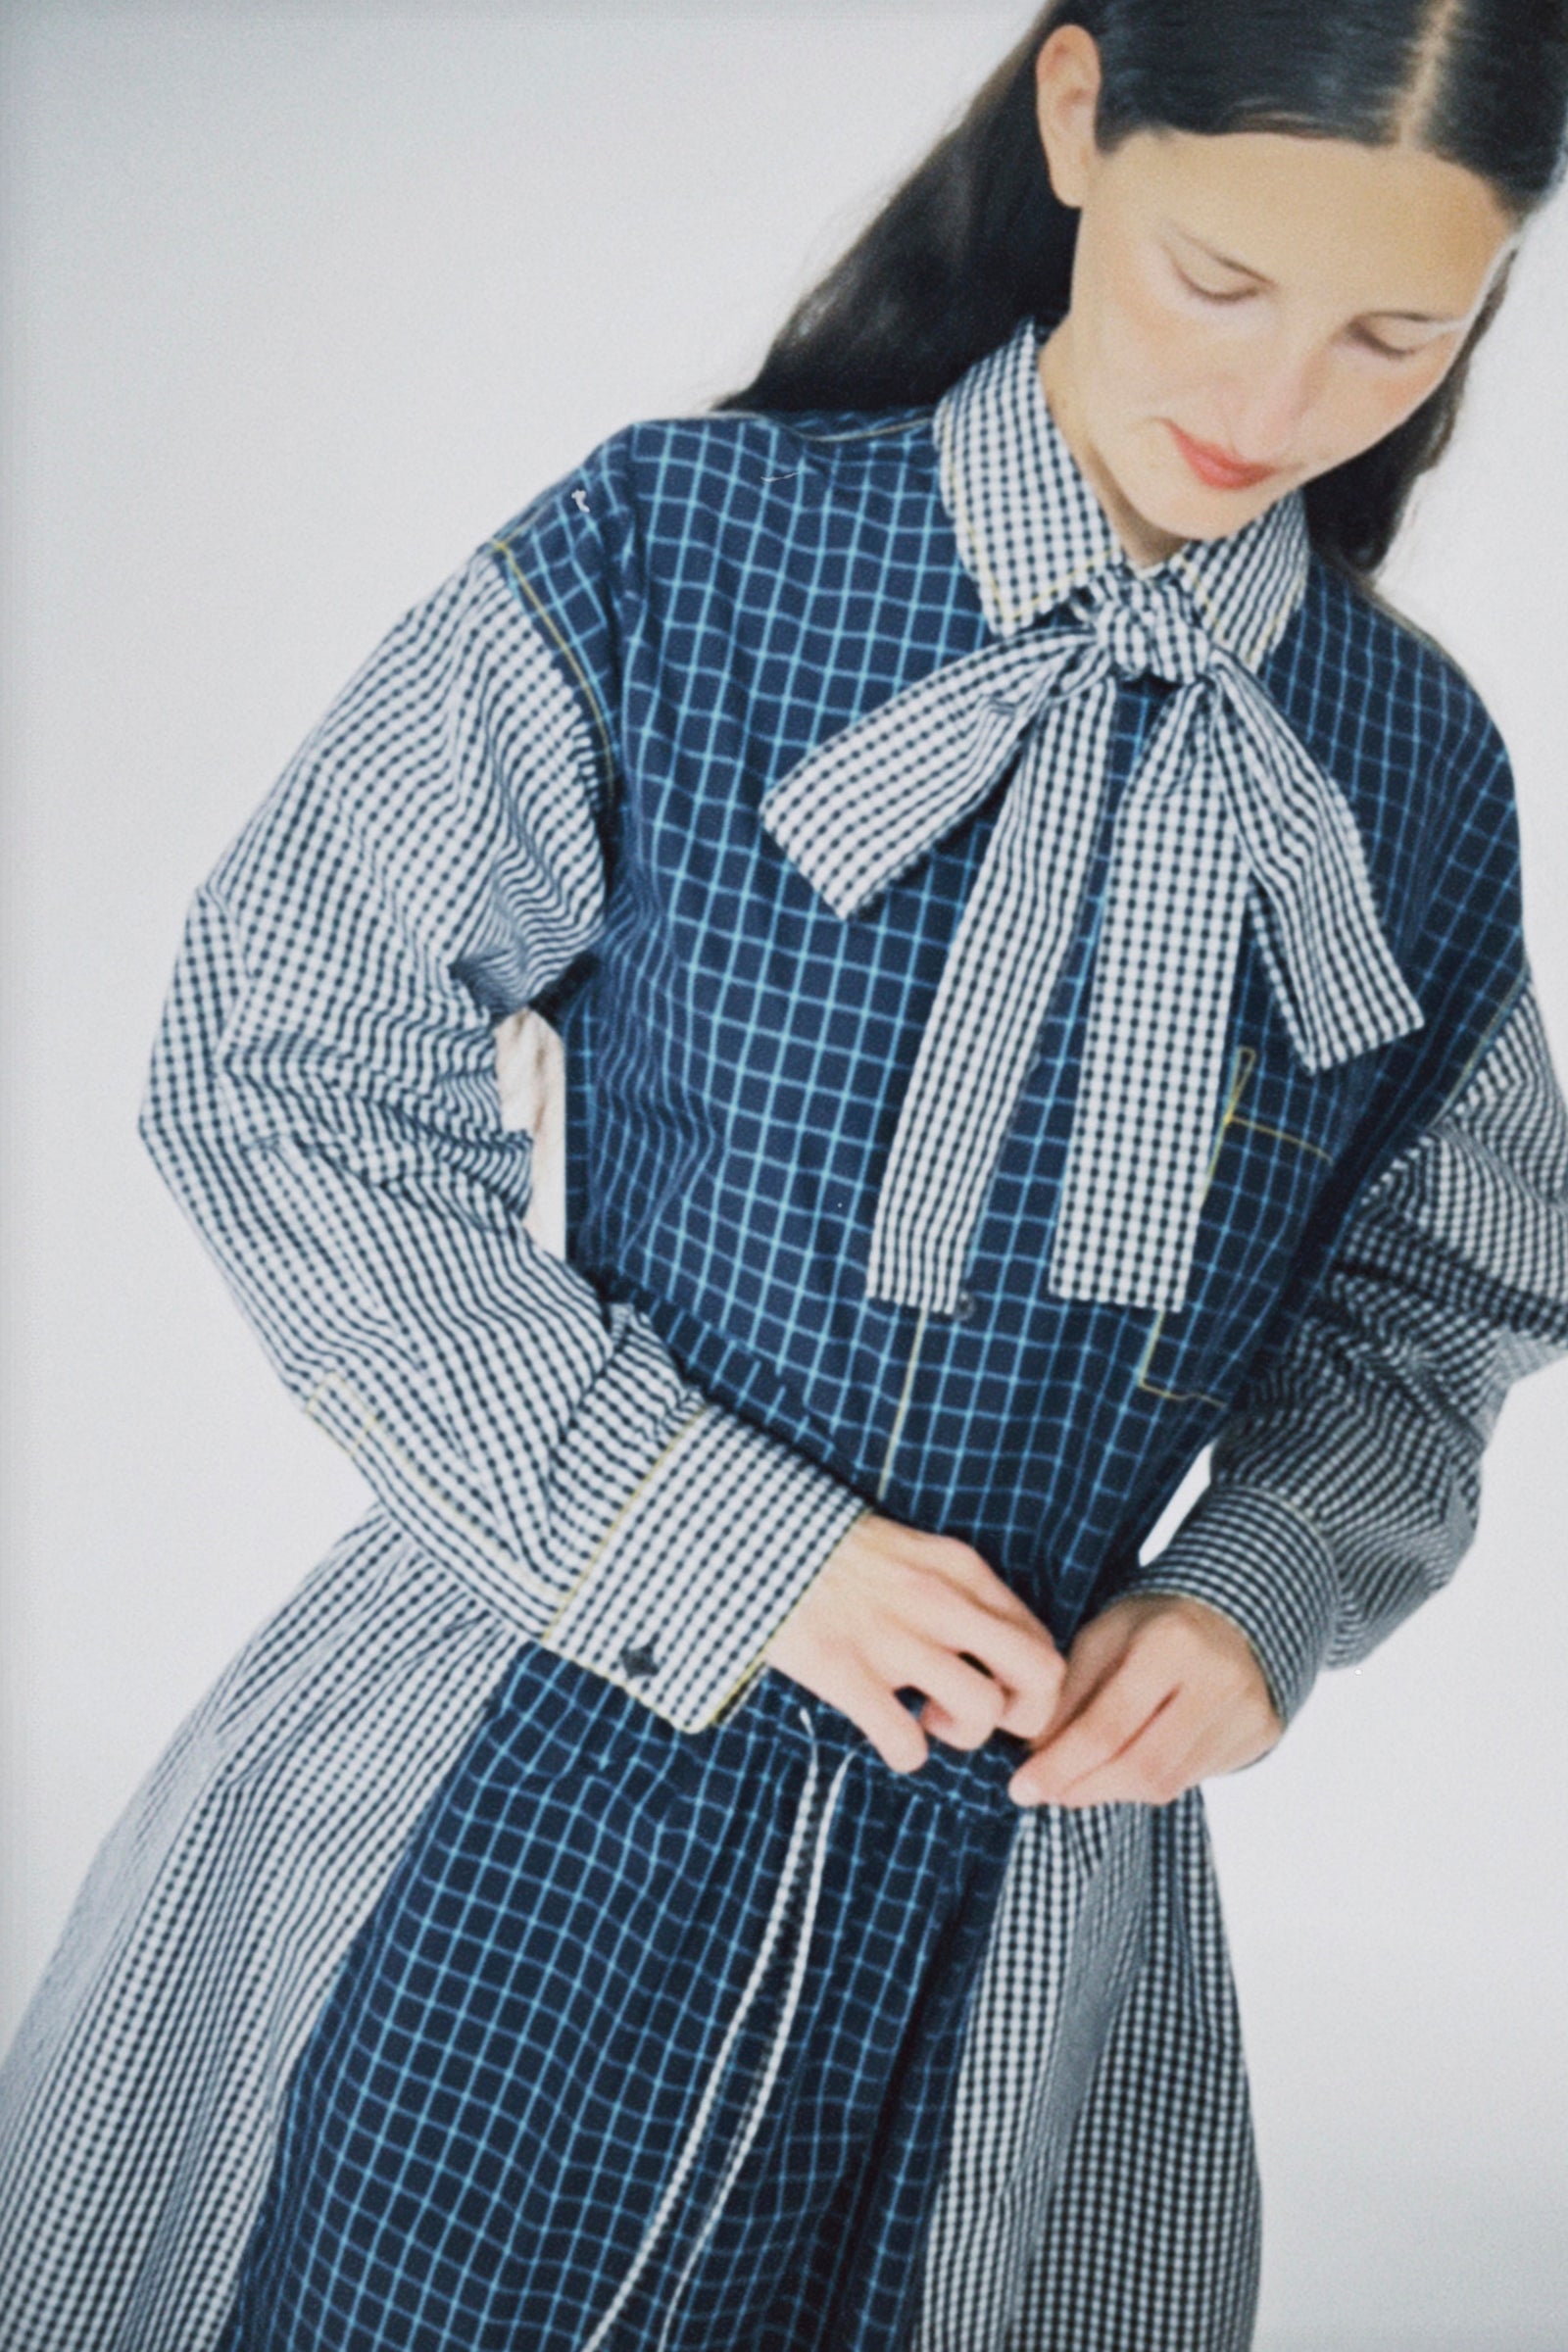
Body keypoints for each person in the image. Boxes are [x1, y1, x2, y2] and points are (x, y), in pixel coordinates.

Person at [2, 3, 1566, 2346]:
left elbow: (1425, 1305)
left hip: (1020, 1900)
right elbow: (279, 1057)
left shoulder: (1414, 776)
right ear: (1073, 117)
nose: (1270, 408)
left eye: (1390, 336)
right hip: (527, 1758)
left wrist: (1254, 1594)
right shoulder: (677, 552)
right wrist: (712, 1541)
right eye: (1216, 282)